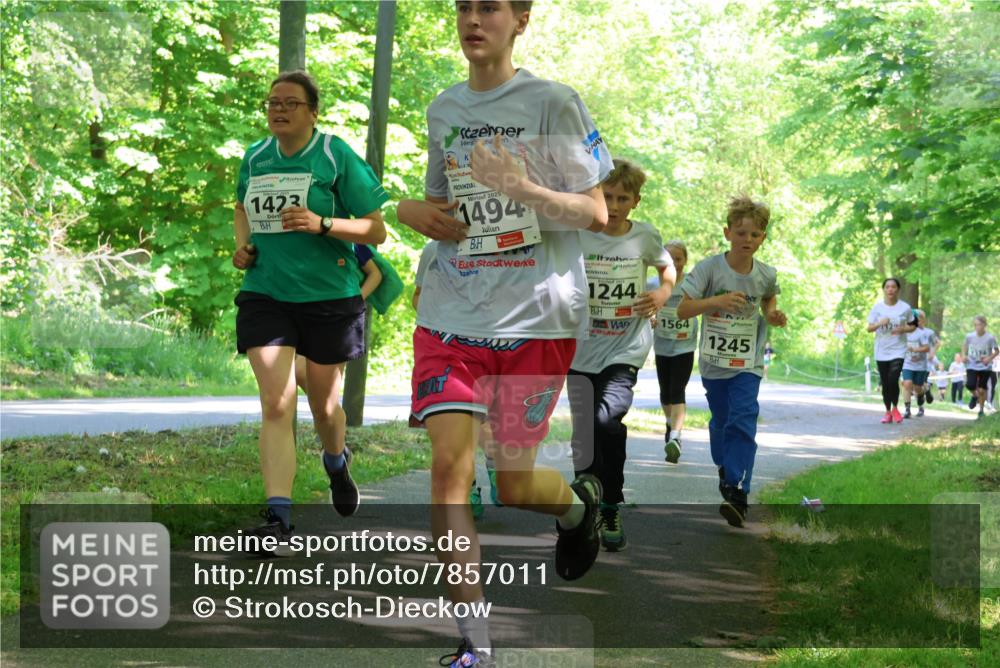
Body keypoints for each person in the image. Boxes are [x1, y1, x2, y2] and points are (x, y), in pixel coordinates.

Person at [395, 2, 612, 664]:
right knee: (449, 472)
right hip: (452, 315)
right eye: (463, 6)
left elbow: (597, 212)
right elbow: (441, 203)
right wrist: (409, 210)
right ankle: (475, 647)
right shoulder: (443, 109)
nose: (472, 17)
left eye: (489, 6)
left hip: (534, 322)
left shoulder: (553, 102)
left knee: (513, 483)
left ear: (520, 18)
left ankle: (579, 511)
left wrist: (521, 187)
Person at [232, 70, 388, 549]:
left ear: (312, 111)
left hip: (329, 298)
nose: (279, 109)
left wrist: (322, 223)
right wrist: (242, 248)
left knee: (324, 405)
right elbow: (241, 207)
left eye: (291, 103)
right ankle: (279, 517)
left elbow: (376, 230)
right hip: (267, 294)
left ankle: (336, 461)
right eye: (272, 102)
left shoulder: (334, 154)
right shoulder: (255, 157)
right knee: (277, 403)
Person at [567, 158, 675, 552]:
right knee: (584, 429)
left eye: (622, 198)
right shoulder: (577, 232)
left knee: (607, 420)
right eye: (606, 196)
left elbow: (667, 270)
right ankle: (584, 504)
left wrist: (662, 294)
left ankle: (610, 501)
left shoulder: (645, 237)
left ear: (635, 202)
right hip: (579, 347)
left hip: (625, 346)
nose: (613, 205)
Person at [676, 196, 786, 528]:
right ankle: (726, 468)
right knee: (722, 421)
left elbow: (768, 298)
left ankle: (737, 489)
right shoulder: (710, 268)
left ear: (763, 238)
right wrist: (717, 301)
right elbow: (683, 309)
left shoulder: (766, 274)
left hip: (747, 363)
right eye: (740, 233)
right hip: (714, 363)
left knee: (744, 416)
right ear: (727, 233)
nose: (747, 240)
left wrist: (773, 314)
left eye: (754, 235)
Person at [412, 241, 501, 521]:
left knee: (488, 419)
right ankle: (468, 485)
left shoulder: (505, 247)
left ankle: (495, 463)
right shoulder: (434, 250)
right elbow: (418, 297)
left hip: (495, 346)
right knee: (461, 422)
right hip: (450, 347)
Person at [294, 243, 382, 392]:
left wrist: (355, 299)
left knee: (300, 372)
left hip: (336, 317)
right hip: (302, 313)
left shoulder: (351, 241)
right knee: (301, 375)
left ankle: (328, 410)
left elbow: (375, 274)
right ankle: (327, 410)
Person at [653, 240, 697, 465]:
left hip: (685, 346)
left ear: (685, 261)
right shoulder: (653, 283)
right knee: (665, 393)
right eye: (669, 258)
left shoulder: (692, 283)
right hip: (662, 345)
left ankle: (676, 437)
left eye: (678, 259)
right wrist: (650, 318)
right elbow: (646, 309)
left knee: (677, 390)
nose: (674, 263)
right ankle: (670, 426)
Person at [866, 278, 917, 424]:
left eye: (893, 287)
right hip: (882, 350)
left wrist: (903, 329)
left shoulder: (905, 308)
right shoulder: (877, 308)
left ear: (898, 290)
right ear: (884, 290)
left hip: (898, 350)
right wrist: (878, 323)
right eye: (887, 287)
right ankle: (888, 411)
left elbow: (913, 325)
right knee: (886, 382)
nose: (890, 289)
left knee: (893, 379)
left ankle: (895, 408)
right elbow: (869, 328)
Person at [901, 310, 936, 418]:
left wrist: (916, 350)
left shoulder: (922, 333)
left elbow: (927, 347)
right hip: (907, 364)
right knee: (907, 384)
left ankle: (923, 392)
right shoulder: (903, 333)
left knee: (917, 388)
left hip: (921, 365)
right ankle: (907, 409)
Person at [962, 315, 999, 419]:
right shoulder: (969, 336)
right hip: (972, 365)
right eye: (975, 325)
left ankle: (981, 411)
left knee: (982, 390)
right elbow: (964, 346)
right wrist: (964, 355)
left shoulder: (990, 338)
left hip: (985, 366)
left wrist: (989, 358)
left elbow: (997, 351)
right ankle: (974, 395)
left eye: (979, 325)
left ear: (984, 325)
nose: (977, 327)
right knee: (970, 384)